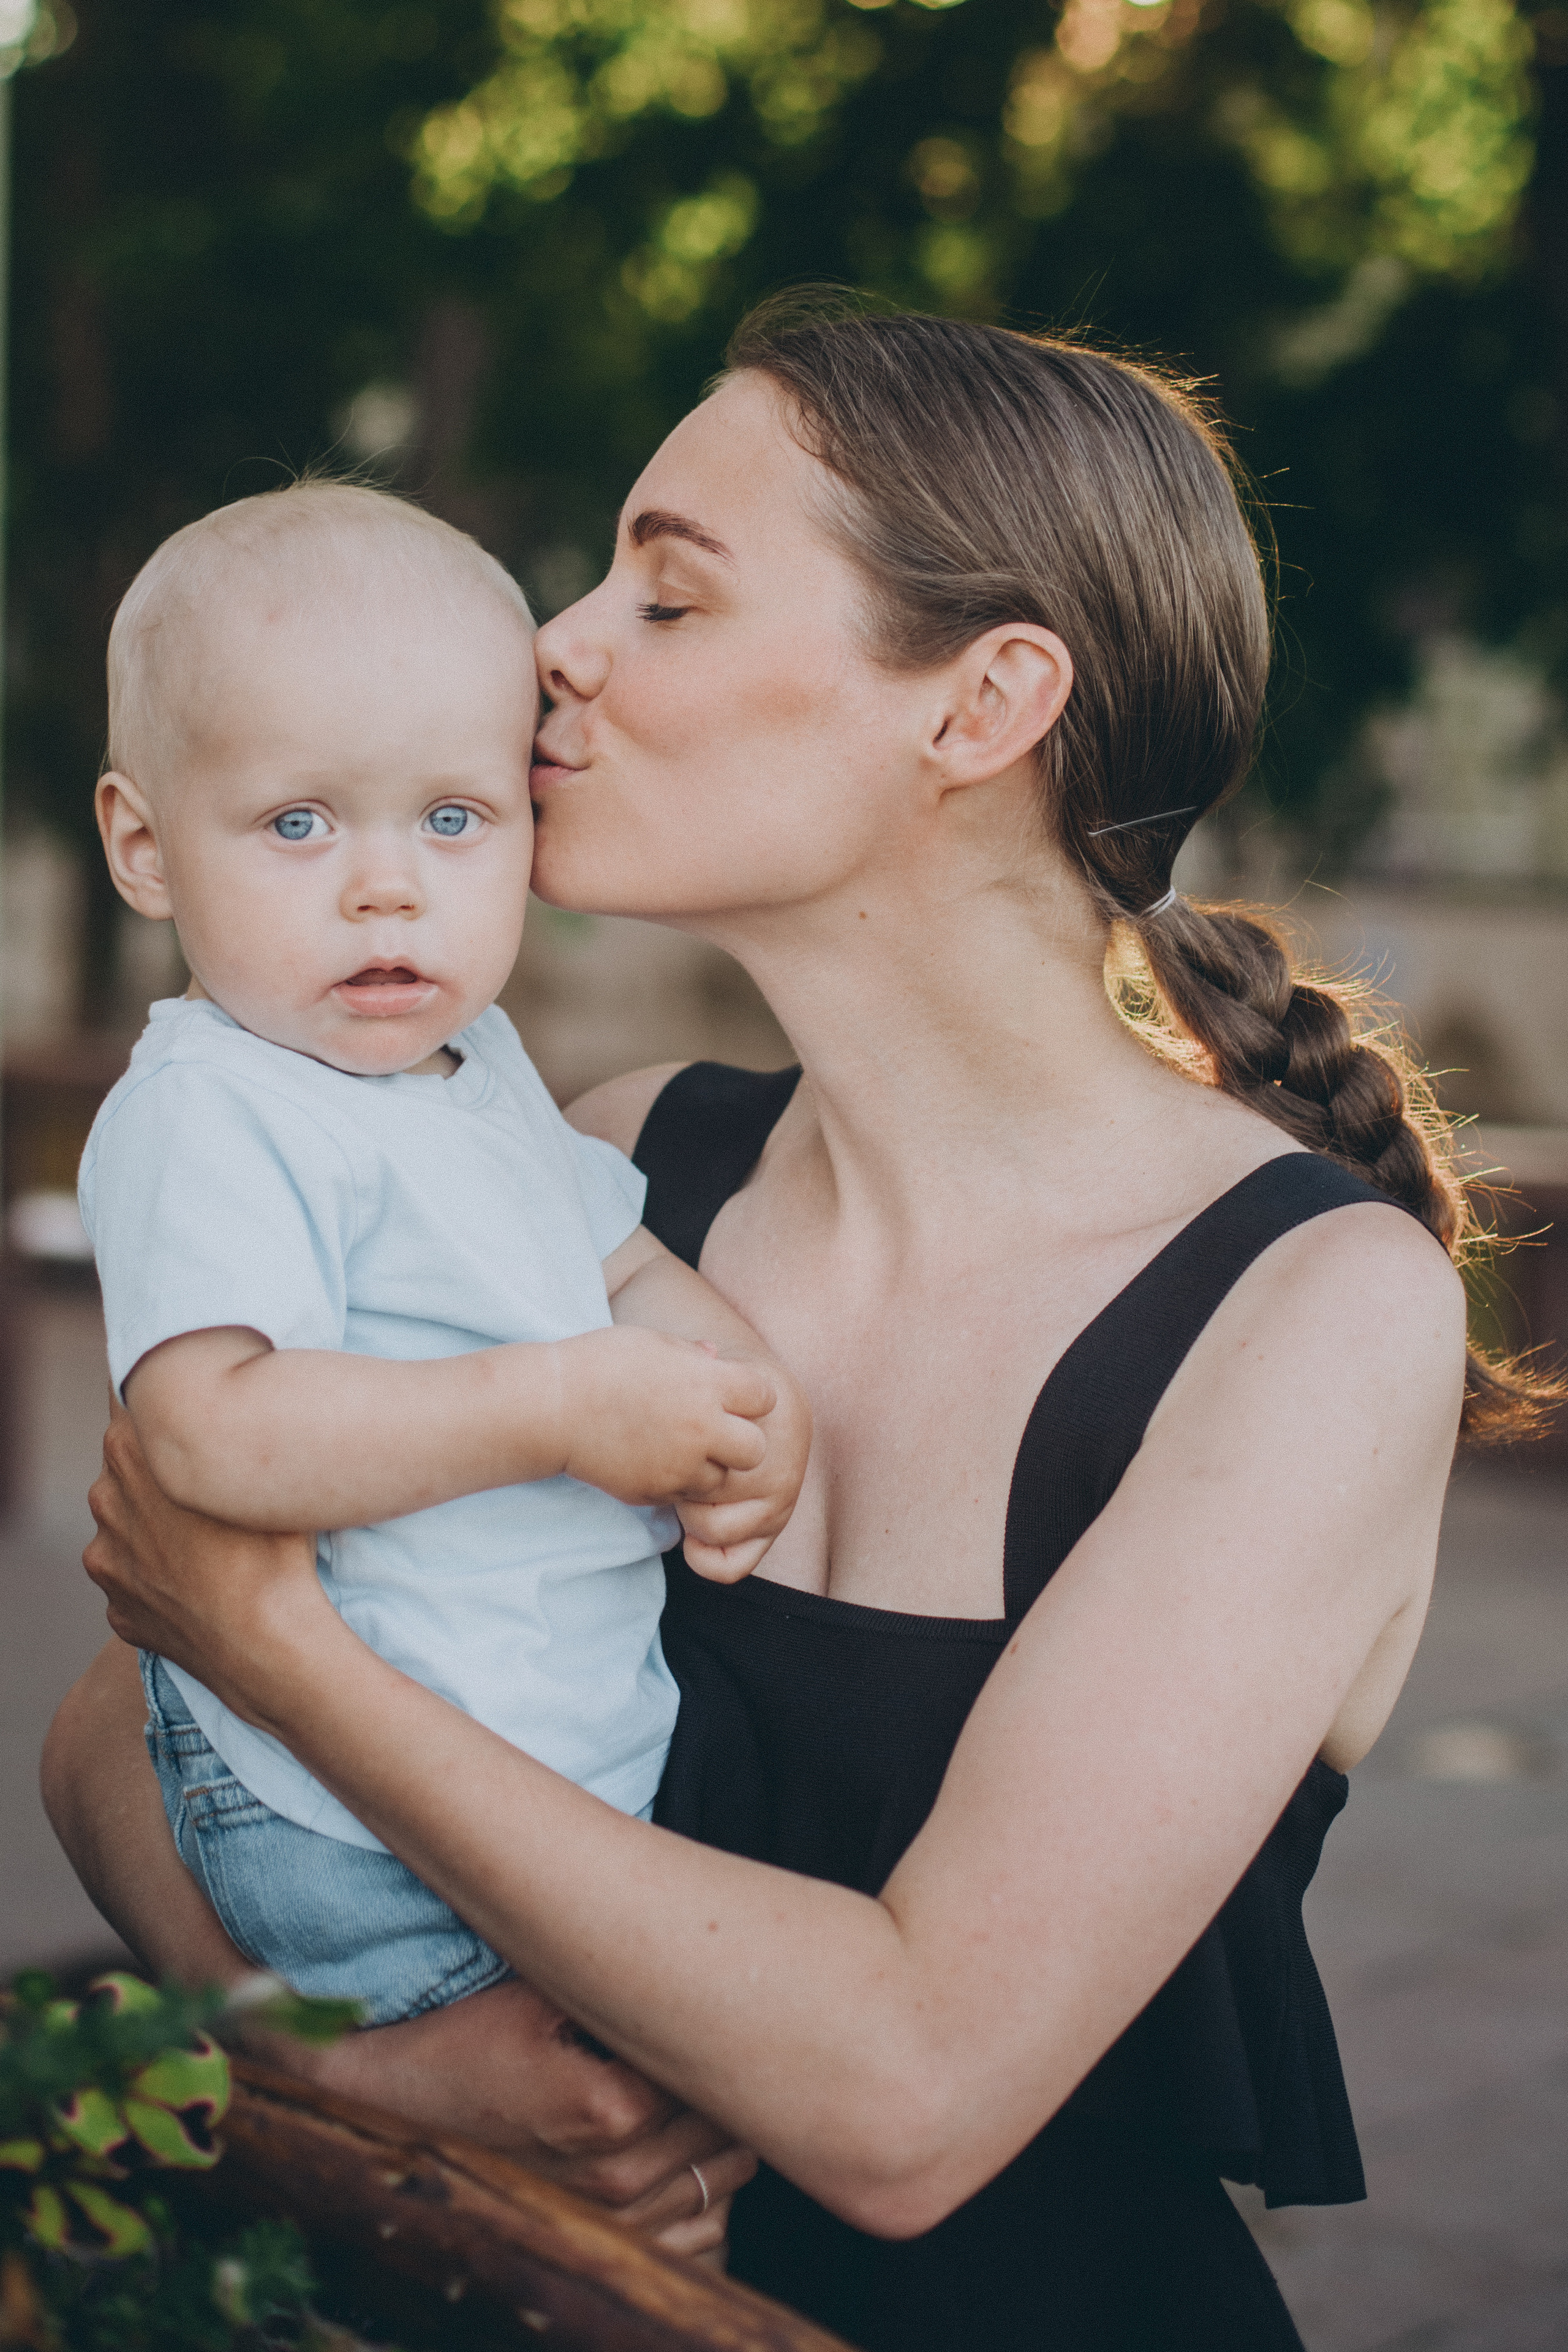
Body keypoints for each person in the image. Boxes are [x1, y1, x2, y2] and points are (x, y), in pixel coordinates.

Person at [45, 301, 1554, 2347]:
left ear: (983, 705)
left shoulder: (1307, 1315)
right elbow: (120, 1735)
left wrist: (290, 1650)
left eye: (663, 596)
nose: (554, 647)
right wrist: (354, 2061)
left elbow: (906, 2094)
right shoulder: (612, 1157)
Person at [78, 481, 809, 2029]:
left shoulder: (474, 1066)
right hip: (349, 1827)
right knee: (574, 2157)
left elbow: (608, 1264)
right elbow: (207, 1430)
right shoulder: (214, 1108)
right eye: (297, 823)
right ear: (145, 848)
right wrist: (555, 1411)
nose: (386, 883)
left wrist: (741, 1390)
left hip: (543, 1773)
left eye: (453, 818)